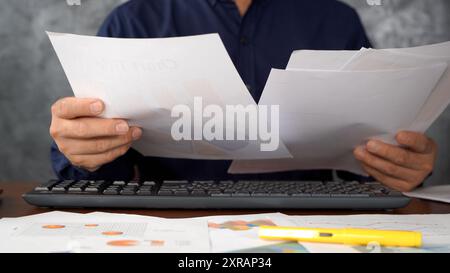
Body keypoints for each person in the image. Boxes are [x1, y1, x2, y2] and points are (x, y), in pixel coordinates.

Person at [49, 0, 437, 192]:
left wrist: (402, 165)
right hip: (168, 225)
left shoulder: (336, 20)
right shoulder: (132, 21)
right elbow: (103, 159)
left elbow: (376, 147)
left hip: (314, 223)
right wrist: (84, 153)